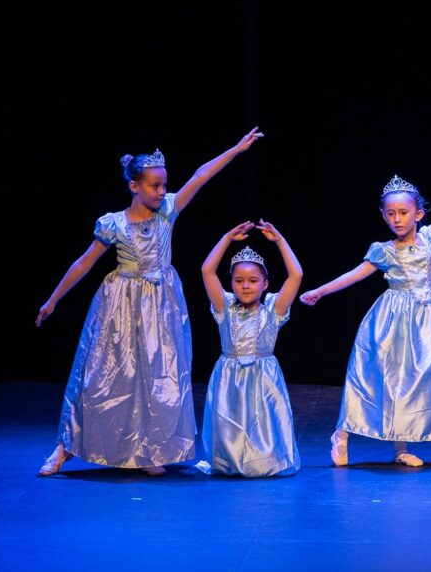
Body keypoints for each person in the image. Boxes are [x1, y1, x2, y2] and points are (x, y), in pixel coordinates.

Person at [36, 128, 264, 476]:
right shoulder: (113, 224)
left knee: (160, 376)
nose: (162, 191)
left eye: (163, 185)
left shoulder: (168, 211)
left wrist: (235, 149)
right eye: (155, 186)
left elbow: (201, 175)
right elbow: (84, 262)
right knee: (101, 377)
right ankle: (66, 446)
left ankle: (150, 450)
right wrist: (54, 299)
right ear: (134, 187)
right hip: (121, 305)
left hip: (161, 304)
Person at [300, 166, 431, 467]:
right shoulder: (383, 250)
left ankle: (401, 447)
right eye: (391, 214)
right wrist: (321, 291)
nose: (397, 219)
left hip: (427, 321)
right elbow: (355, 275)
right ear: (384, 215)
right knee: (375, 378)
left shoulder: (429, 238)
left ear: (418, 214)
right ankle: (341, 435)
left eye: (403, 213)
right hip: (392, 321)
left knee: (414, 382)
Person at [197, 220, 302, 477]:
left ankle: (263, 461)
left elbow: (296, 275)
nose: (245, 285)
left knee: (262, 425)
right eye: (239, 280)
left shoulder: (273, 310)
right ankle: (227, 460)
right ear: (231, 283)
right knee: (230, 423)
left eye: (253, 280)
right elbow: (207, 270)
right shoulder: (224, 307)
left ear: (265, 284)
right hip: (229, 376)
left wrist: (279, 241)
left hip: (263, 377)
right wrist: (226, 238)